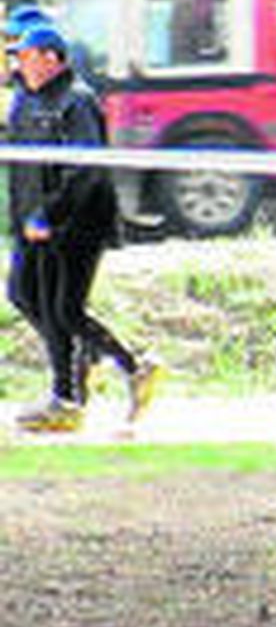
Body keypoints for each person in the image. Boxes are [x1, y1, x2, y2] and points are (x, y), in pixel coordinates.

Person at [6, 22, 162, 433]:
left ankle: (112, 375)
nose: (19, 64)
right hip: (34, 224)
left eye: (26, 56)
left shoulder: (77, 102)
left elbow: (86, 169)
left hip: (78, 223)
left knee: (64, 309)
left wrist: (49, 215)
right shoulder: (25, 100)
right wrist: (25, 218)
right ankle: (81, 370)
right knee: (24, 294)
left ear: (51, 59)